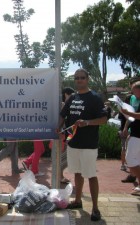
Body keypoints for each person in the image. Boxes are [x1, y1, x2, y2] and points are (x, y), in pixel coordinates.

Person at [58, 69, 107, 221]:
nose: (79, 80)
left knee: (91, 175)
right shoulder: (72, 97)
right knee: (77, 173)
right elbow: (62, 115)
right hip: (73, 143)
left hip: (89, 145)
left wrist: (87, 123)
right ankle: (78, 201)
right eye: (77, 78)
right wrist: (58, 128)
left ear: (87, 79)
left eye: (82, 78)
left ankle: (95, 208)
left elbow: (104, 119)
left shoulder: (95, 98)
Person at [121, 81, 140, 196]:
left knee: (130, 161)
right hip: (135, 133)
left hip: (138, 135)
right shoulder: (134, 99)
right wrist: (126, 127)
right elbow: (132, 114)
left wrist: (128, 113)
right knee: (136, 160)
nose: (132, 92)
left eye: (133, 90)